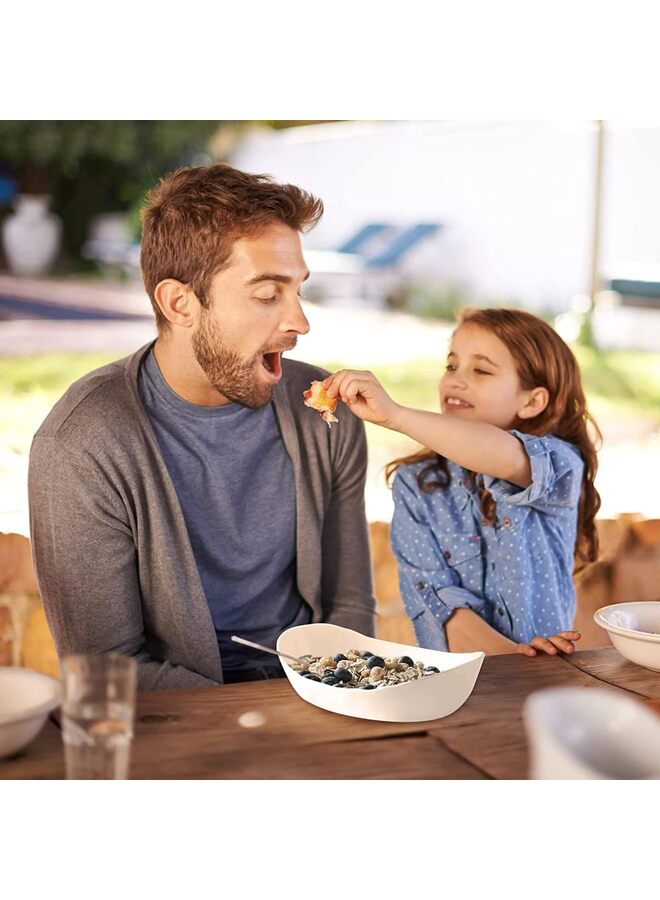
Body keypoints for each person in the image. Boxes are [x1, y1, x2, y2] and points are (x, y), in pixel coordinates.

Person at [28, 163, 375, 691]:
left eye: (298, 290)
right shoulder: (82, 443)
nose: (300, 322)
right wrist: (262, 721)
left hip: (318, 695)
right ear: (180, 303)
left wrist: (334, 699)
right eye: (266, 294)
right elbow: (105, 669)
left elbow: (349, 605)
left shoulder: (325, 416)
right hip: (179, 721)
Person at [323, 307, 601, 657]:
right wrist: (516, 658)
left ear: (532, 402)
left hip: (545, 679)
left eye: (481, 370)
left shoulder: (558, 465)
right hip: (464, 680)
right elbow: (440, 604)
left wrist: (396, 415)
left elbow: (503, 455)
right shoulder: (416, 485)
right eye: (451, 365)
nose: (456, 379)